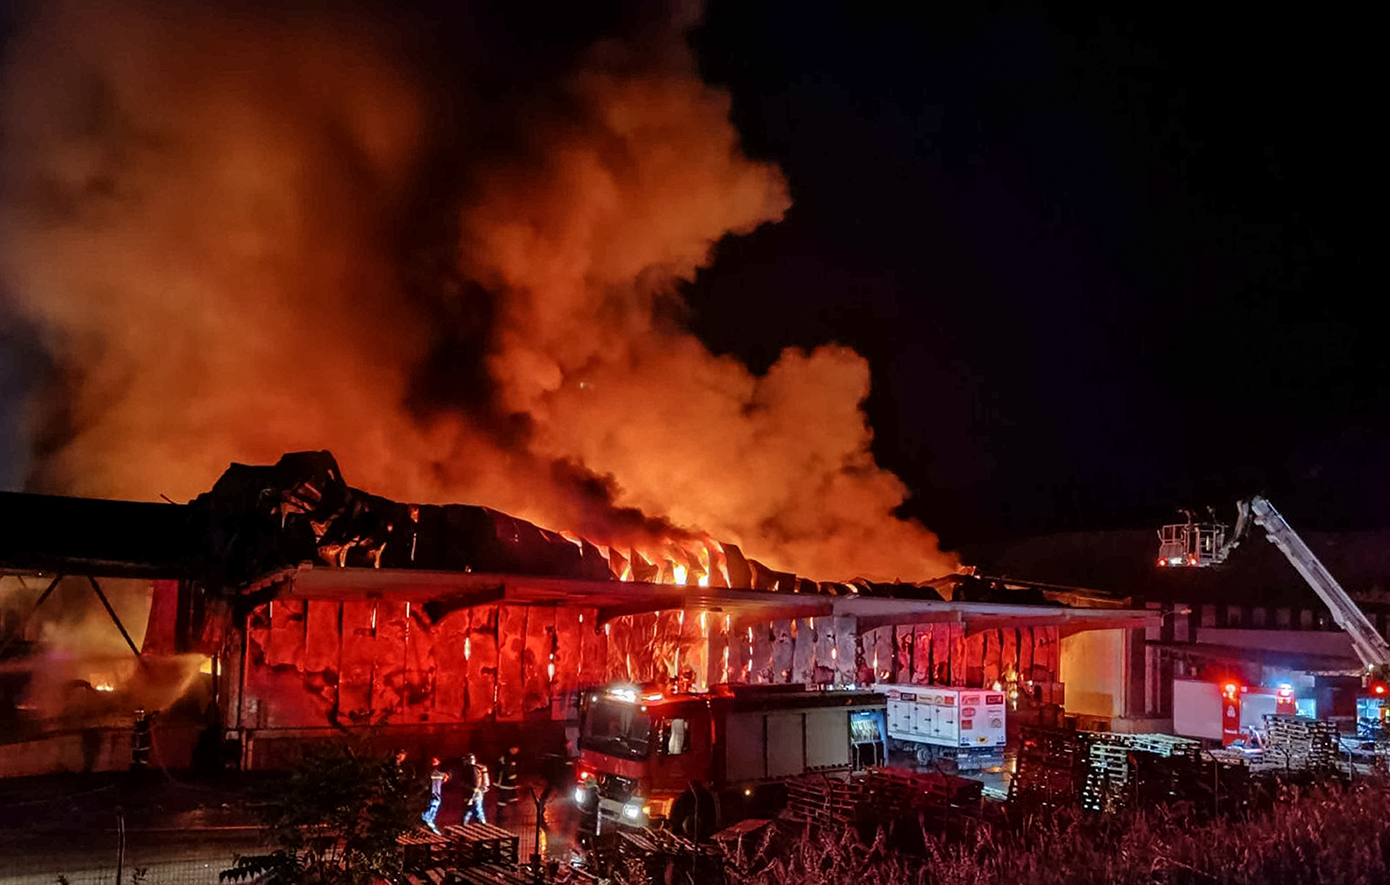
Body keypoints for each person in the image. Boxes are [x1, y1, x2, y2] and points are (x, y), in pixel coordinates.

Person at [460, 752, 491, 824]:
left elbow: (475, 784)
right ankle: (464, 825)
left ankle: (484, 827)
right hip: (475, 793)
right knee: (468, 810)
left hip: (474, 793)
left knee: (477, 811)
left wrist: (471, 797)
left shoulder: (472, 769)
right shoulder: (473, 768)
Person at [421, 756, 449, 832]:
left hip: (430, 794)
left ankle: (428, 820)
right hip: (435, 794)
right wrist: (446, 776)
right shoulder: (438, 773)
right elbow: (445, 778)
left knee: (431, 806)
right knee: (433, 806)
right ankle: (428, 819)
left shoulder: (429, 773)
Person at [494, 746, 520, 824]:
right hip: (506, 783)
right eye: (515, 749)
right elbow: (507, 771)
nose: (516, 751)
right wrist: (513, 780)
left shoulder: (509, 757)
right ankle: (499, 816)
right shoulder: (507, 758)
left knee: (513, 798)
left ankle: (516, 816)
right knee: (503, 799)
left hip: (509, 783)